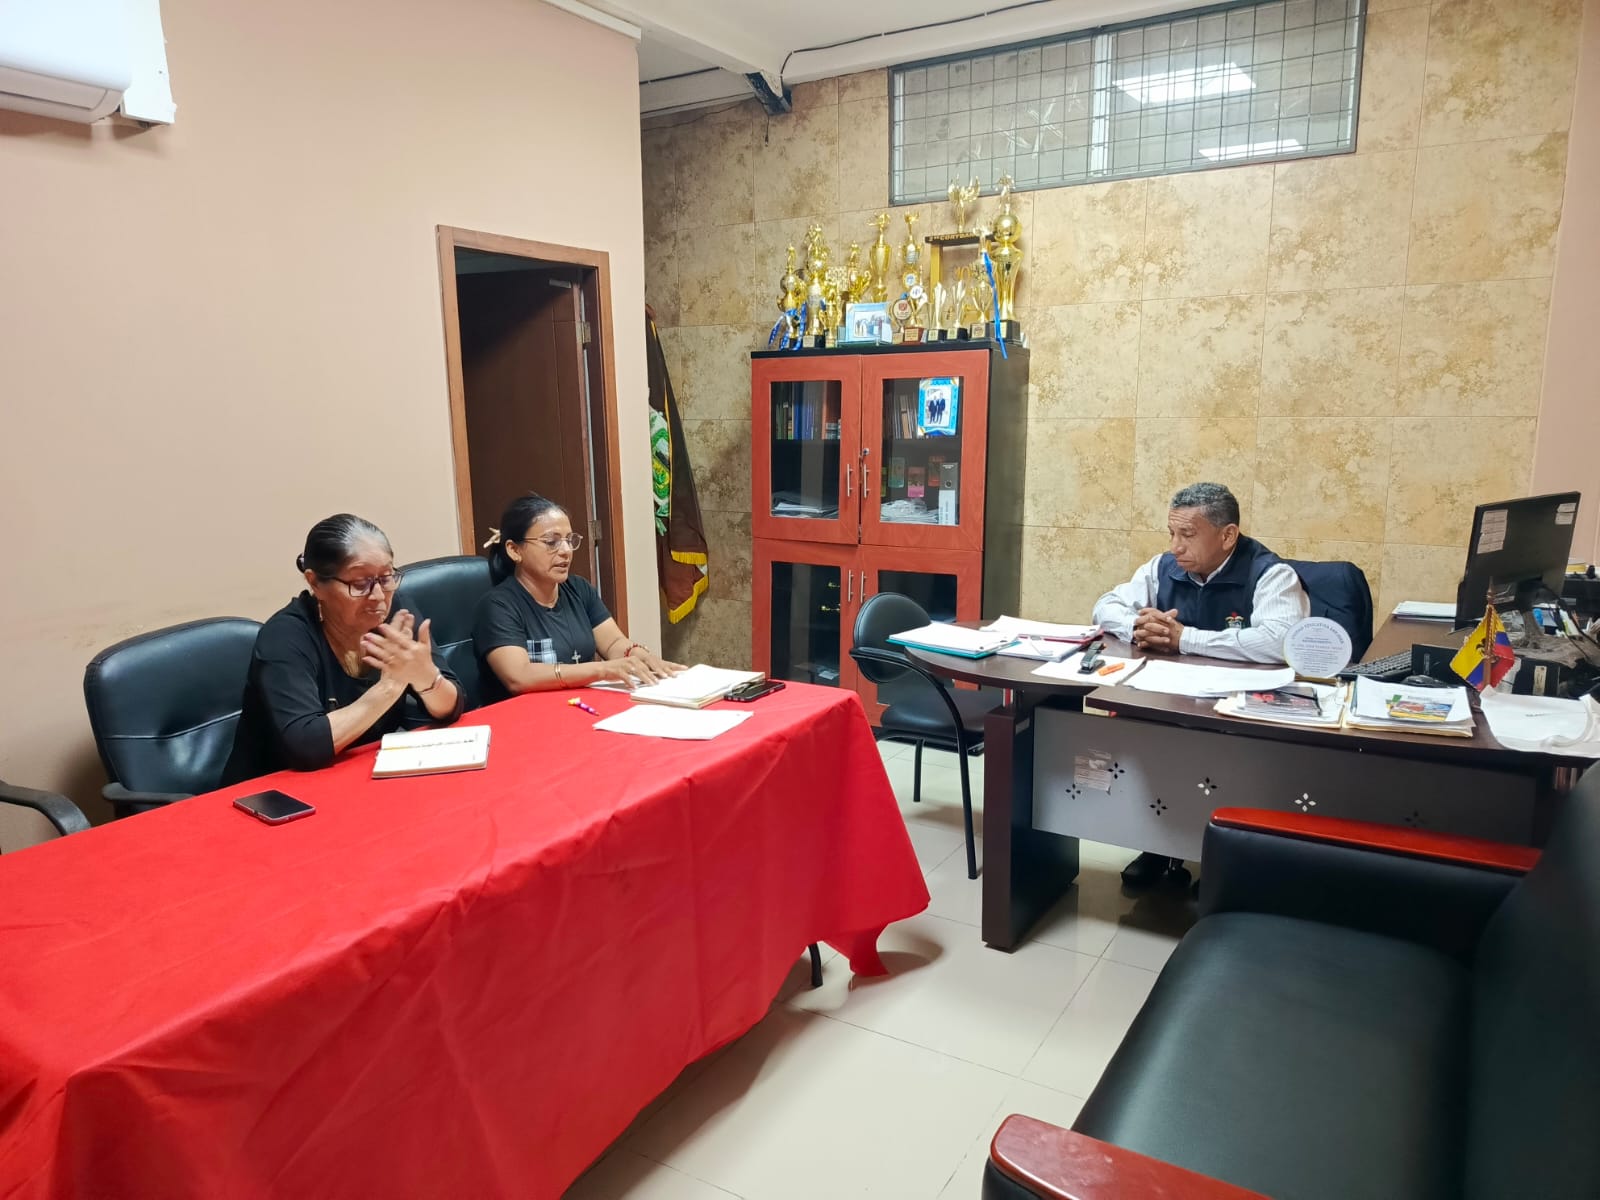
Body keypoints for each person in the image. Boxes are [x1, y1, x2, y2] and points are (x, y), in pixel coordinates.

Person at [1092, 481, 1309, 889]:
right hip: (1173, 703)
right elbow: (1105, 606)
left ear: (1227, 536)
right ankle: (1160, 845)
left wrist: (1185, 638)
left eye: (1187, 535)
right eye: (1171, 533)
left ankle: (1222, 860)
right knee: (1147, 745)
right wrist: (1139, 624)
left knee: (1225, 767)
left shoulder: (1270, 574)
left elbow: (1280, 640)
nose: (1175, 546)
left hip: (1237, 714)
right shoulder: (1163, 568)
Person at [223, 514, 464, 784]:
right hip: (273, 792)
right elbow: (306, 745)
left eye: (386, 578)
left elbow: (452, 706)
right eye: (360, 584)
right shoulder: (285, 636)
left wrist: (427, 678)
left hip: (358, 774)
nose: (378, 596)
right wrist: (390, 687)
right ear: (315, 583)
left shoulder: (396, 611)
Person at [474, 493, 683, 700]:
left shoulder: (579, 589)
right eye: (551, 542)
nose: (566, 551)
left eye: (569, 540)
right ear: (514, 550)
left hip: (579, 704)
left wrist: (635, 655)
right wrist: (601, 670)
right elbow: (519, 676)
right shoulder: (498, 606)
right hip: (527, 713)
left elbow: (612, 643)